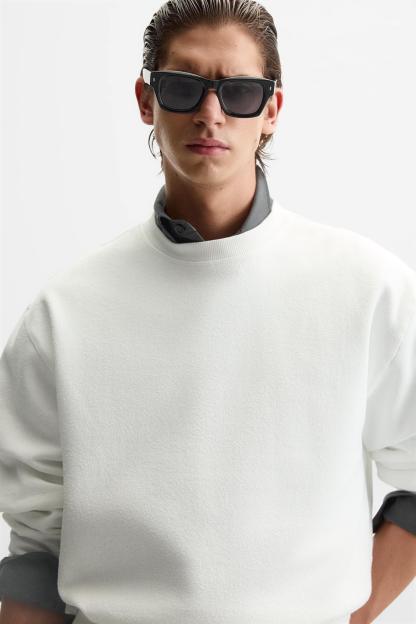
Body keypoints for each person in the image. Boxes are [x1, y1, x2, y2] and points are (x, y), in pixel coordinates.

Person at [1, 1, 416, 623]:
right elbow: (35, 546)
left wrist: (351, 616)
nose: (210, 112)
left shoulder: (368, 288)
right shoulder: (64, 314)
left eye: (240, 91)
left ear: (272, 110)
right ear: (147, 100)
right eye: (183, 86)